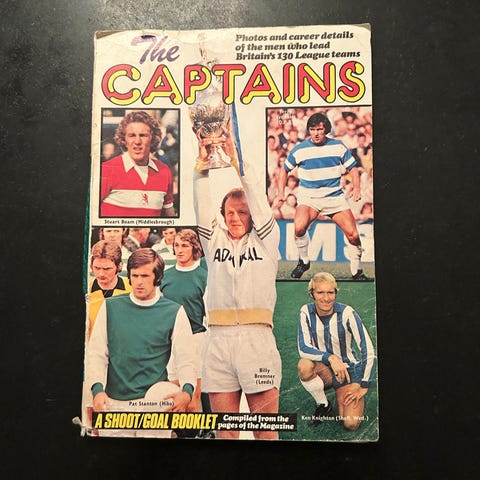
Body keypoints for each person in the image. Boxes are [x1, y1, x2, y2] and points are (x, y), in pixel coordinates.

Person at [193, 125, 282, 440]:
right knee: (225, 433)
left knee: (265, 431)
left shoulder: (267, 241)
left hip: (257, 340)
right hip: (217, 340)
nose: (234, 217)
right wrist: (201, 166)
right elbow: (201, 207)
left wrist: (236, 161)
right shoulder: (213, 242)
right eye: (229, 212)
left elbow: (256, 195)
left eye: (242, 212)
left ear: (252, 216)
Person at [85, 248, 197, 437]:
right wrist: (97, 390)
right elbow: (96, 354)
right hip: (114, 404)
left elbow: (187, 359)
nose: (138, 281)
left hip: (155, 403)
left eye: (145, 276)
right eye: (134, 275)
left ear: (157, 277)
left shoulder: (174, 311)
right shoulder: (110, 307)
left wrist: (187, 392)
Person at [277, 112, 368, 280]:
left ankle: (357, 271)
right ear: (309, 130)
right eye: (312, 130)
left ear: (326, 129)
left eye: (319, 129)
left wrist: (357, 188)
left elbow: (353, 168)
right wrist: (281, 193)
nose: (316, 133)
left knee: (354, 236)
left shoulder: (338, 146)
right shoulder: (300, 149)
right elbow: (284, 170)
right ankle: (304, 261)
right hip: (309, 198)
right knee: (299, 228)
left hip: (334, 197)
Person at [297, 272, 376, 431]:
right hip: (324, 368)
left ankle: (342, 392)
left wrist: (363, 385)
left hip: (347, 371)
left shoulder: (347, 313)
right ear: (312, 294)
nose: (326, 298)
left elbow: (368, 350)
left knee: (351, 423)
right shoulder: (306, 312)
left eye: (330, 292)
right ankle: (323, 404)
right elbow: (303, 347)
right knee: (304, 366)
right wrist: (331, 358)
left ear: (335, 293)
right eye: (320, 292)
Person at [160, 229, 211, 436]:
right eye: (177, 245)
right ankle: (179, 433)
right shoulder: (165, 275)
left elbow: (209, 314)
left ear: (194, 248)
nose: (179, 250)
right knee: (174, 389)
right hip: (169, 342)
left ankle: (198, 433)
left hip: (196, 339)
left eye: (185, 246)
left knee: (194, 394)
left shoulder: (203, 276)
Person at [100, 110, 175, 217]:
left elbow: (169, 216)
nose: (137, 141)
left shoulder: (164, 172)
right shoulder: (107, 170)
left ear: (153, 139)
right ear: (124, 139)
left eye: (143, 135)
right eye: (132, 135)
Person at [87, 240, 131, 339]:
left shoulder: (131, 290)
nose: (101, 274)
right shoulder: (86, 290)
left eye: (107, 269)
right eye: (97, 268)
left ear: (119, 266)